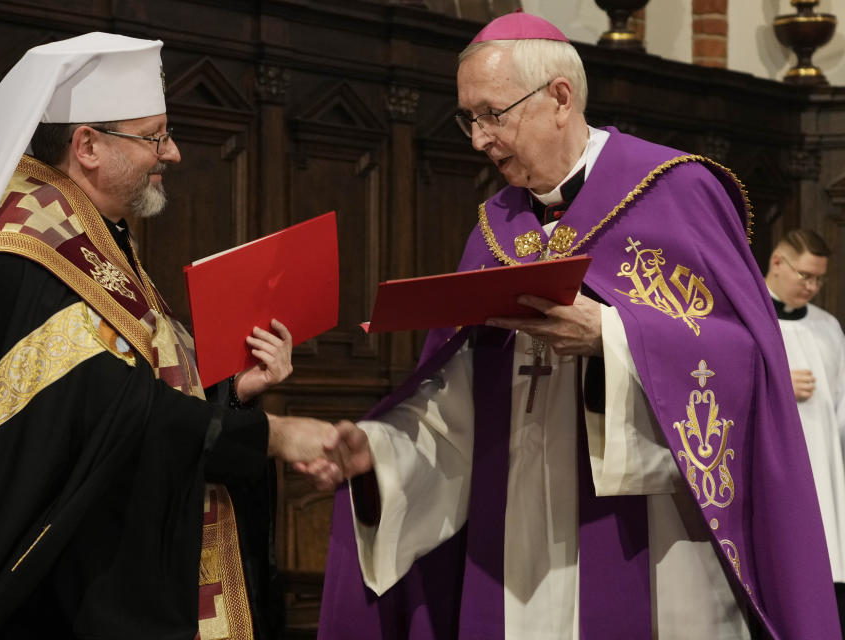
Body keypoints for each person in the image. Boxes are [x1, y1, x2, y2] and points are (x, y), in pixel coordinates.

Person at [313, 12, 841, 640]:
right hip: (514, 544)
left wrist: (611, 337)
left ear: (559, 99)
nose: (478, 139)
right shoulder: (495, 227)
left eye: (491, 114)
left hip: (651, 542)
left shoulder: (677, 190)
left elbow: (744, 359)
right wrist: (381, 452)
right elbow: (457, 394)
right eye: (468, 118)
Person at [0, 33, 340, 640]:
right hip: (64, 600)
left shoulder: (89, 231)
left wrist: (233, 394)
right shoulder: (31, 252)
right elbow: (111, 416)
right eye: (155, 135)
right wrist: (270, 434)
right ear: (88, 145)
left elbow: (126, 399)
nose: (173, 152)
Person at [764, 228, 845, 632]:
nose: (812, 287)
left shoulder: (829, 327)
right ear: (778, 262)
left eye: (819, 279)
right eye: (805, 276)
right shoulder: (746, 317)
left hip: (827, 475)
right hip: (772, 472)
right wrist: (773, 383)